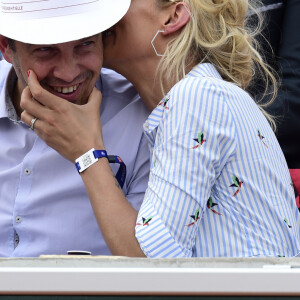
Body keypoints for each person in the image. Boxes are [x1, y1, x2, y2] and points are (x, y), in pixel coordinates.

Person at [21, 0, 300, 257]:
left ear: (173, 16)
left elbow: (152, 262)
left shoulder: (196, 95)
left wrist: (86, 152)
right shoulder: (199, 97)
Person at [0, 0, 150, 257]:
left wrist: (88, 154)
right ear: (6, 47)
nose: (68, 73)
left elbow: (153, 270)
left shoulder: (143, 119)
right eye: (46, 50)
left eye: (84, 44)